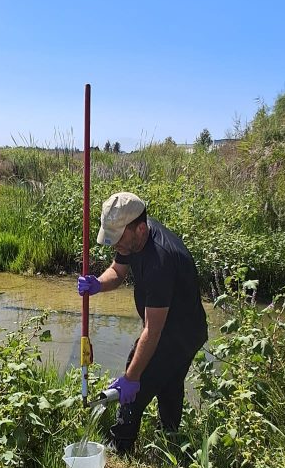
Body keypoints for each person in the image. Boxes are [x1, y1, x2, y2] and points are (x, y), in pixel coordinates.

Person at [78, 191, 208, 453]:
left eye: (119, 241)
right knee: (169, 383)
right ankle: (171, 439)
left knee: (137, 382)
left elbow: (153, 329)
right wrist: (97, 285)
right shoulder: (133, 239)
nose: (117, 247)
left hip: (179, 333)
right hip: (182, 327)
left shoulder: (160, 259)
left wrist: (131, 377)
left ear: (138, 228)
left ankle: (120, 446)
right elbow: (117, 271)